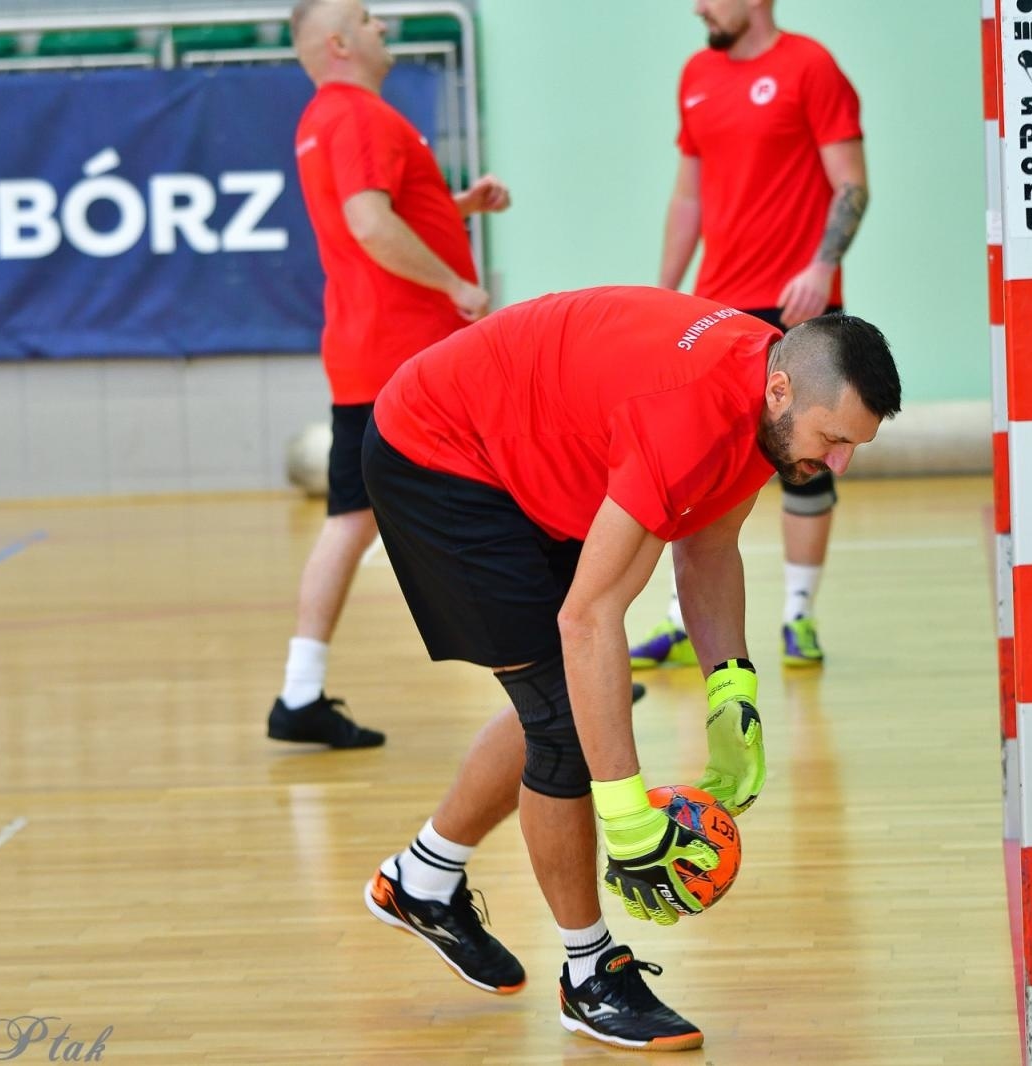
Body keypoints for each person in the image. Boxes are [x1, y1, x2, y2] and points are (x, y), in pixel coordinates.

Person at [358, 285, 900, 1050]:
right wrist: (626, 814)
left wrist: (732, 690)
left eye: (853, 446)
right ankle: (589, 976)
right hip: (438, 455)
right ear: (782, 389)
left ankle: (422, 879)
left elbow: (709, 548)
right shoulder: (689, 415)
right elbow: (585, 619)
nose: (837, 461)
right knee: (566, 725)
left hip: (523, 452)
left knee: (571, 703)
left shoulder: (765, 407)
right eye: (832, 436)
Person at [267, 0, 511, 748]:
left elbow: (373, 213)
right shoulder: (362, 118)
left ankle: (299, 692)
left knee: (351, 518)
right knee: (501, 493)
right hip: (412, 355)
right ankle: (553, 663)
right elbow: (371, 225)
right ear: (338, 43)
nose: (384, 28)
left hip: (365, 353)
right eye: (369, 19)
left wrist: (451, 204)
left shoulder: (322, 119)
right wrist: (456, 287)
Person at [630, 0, 869, 670]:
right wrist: (666, 292)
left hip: (801, 305)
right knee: (699, 469)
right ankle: (683, 623)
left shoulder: (810, 66)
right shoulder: (697, 75)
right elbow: (689, 198)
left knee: (807, 459)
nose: (698, 6)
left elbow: (851, 184)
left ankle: (799, 614)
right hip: (721, 312)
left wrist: (823, 266)